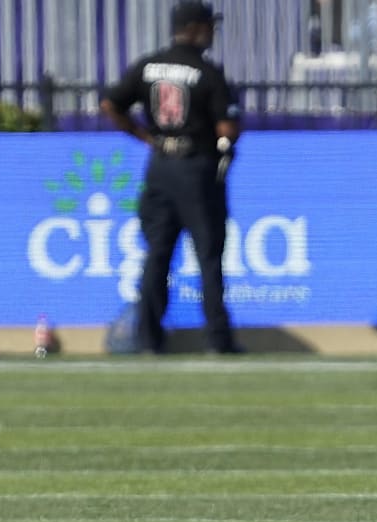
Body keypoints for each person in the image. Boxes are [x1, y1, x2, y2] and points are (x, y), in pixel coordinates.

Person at [100, 1, 243, 355]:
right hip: (197, 168)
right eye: (208, 27)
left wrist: (144, 136)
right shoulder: (206, 72)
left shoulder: (148, 65)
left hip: (161, 165)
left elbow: (110, 104)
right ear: (195, 29)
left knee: (157, 254)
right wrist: (226, 148)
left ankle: (148, 339)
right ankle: (218, 339)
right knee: (208, 255)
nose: (212, 34)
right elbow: (227, 128)